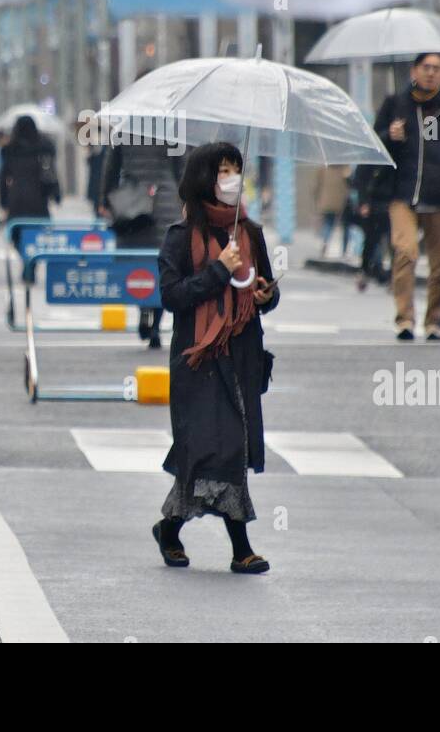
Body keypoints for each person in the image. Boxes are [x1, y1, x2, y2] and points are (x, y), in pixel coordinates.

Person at [154, 143, 279, 575]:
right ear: (204, 178)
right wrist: (218, 271)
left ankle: (169, 528)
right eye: (222, 171)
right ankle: (241, 547)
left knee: (228, 448)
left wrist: (267, 294)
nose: (231, 179)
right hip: (200, 361)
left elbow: (260, 293)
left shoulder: (250, 233)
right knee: (212, 449)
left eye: (236, 170)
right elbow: (173, 297)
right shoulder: (180, 237)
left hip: (241, 356)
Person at [373, 52, 440, 341]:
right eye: (425, 67)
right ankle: (405, 319)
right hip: (403, 193)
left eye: (436, 69)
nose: (430, 73)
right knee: (406, 252)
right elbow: (375, 144)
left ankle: (434, 321)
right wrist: (388, 136)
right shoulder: (395, 104)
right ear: (414, 71)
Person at [100, 140, 183, 349]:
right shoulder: (171, 126)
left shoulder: (125, 127)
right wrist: (186, 200)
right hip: (165, 201)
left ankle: (144, 309)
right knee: (165, 264)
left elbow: (111, 167)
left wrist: (104, 199)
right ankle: (155, 322)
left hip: (132, 204)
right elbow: (181, 167)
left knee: (136, 264)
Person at [0, 116, 60, 237]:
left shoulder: (10, 150)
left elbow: (3, 178)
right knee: (39, 235)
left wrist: (3, 201)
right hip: (39, 199)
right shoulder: (43, 149)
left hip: (16, 199)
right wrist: (56, 194)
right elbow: (51, 174)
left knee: (17, 234)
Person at [351, 162, 392, 292]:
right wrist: (363, 202)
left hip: (392, 203)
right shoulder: (369, 159)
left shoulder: (396, 151)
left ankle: (394, 276)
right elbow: (359, 180)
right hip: (372, 205)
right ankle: (365, 270)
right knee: (371, 242)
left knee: (395, 243)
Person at [313, 164, 352, 258]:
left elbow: (316, 186)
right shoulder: (345, 169)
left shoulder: (323, 168)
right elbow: (350, 184)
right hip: (341, 201)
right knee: (346, 226)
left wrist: (317, 200)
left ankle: (325, 242)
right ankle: (344, 250)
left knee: (328, 224)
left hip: (326, 201)